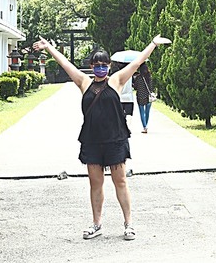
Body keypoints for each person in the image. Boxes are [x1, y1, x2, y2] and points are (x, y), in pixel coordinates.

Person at [32, 34, 170, 241]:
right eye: (97, 65)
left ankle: (129, 224)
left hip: (115, 140)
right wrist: (49, 48)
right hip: (92, 142)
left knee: (120, 182)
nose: (100, 68)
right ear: (91, 65)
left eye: (104, 65)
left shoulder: (116, 81)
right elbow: (65, 63)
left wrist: (152, 44)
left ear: (109, 66)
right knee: (95, 184)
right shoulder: (84, 82)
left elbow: (137, 62)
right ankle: (96, 224)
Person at [132, 63, 155, 133]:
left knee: (142, 112)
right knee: (147, 112)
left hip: (140, 97)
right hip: (149, 97)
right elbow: (151, 87)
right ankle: (146, 125)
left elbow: (135, 87)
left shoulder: (138, 78)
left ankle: (144, 127)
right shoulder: (149, 77)